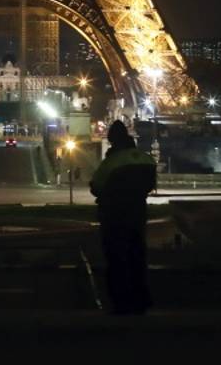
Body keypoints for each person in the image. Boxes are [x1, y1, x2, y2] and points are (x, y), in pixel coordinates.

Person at [89, 120, 157, 315]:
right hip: (137, 215)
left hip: (114, 216)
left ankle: (121, 302)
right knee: (137, 256)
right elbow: (150, 185)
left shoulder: (112, 162)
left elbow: (97, 186)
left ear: (112, 140)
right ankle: (141, 299)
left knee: (116, 259)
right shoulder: (146, 159)